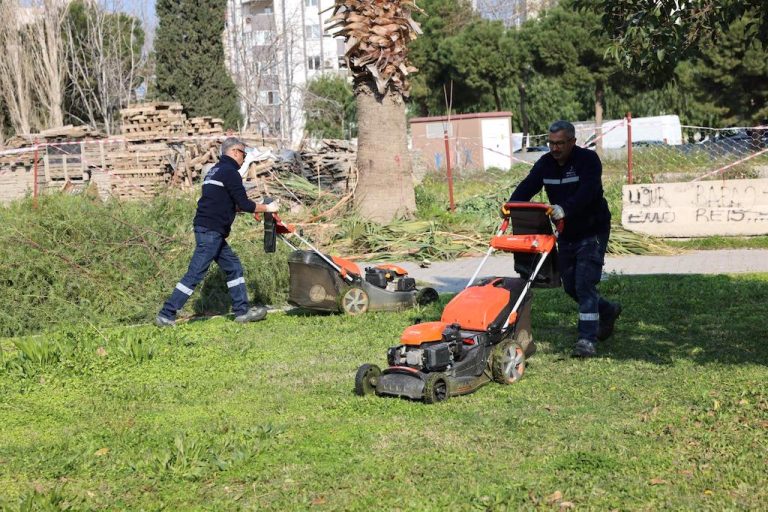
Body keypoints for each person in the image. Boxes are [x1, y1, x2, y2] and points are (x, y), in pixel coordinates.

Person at [507, 120, 621, 357]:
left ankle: (586, 340)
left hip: (592, 230)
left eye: (560, 143)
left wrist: (565, 208)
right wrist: (511, 205)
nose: (555, 148)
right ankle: (607, 310)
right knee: (570, 286)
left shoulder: (588, 161)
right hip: (566, 232)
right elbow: (528, 185)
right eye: (551, 143)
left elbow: (588, 193)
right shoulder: (546, 164)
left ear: (572, 142)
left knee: (584, 283)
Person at [155, 137, 279, 327]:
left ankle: (242, 311)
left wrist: (249, 209)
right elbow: (245, 204)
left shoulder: (214, 171)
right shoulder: (230, 172)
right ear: (235, 152)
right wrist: (267, 209)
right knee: (195, 273)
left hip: (210, 229)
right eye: (244, 154)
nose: (244, 159)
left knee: (233, 267)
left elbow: (224, 202)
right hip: (211, 231)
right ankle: (166, 314)